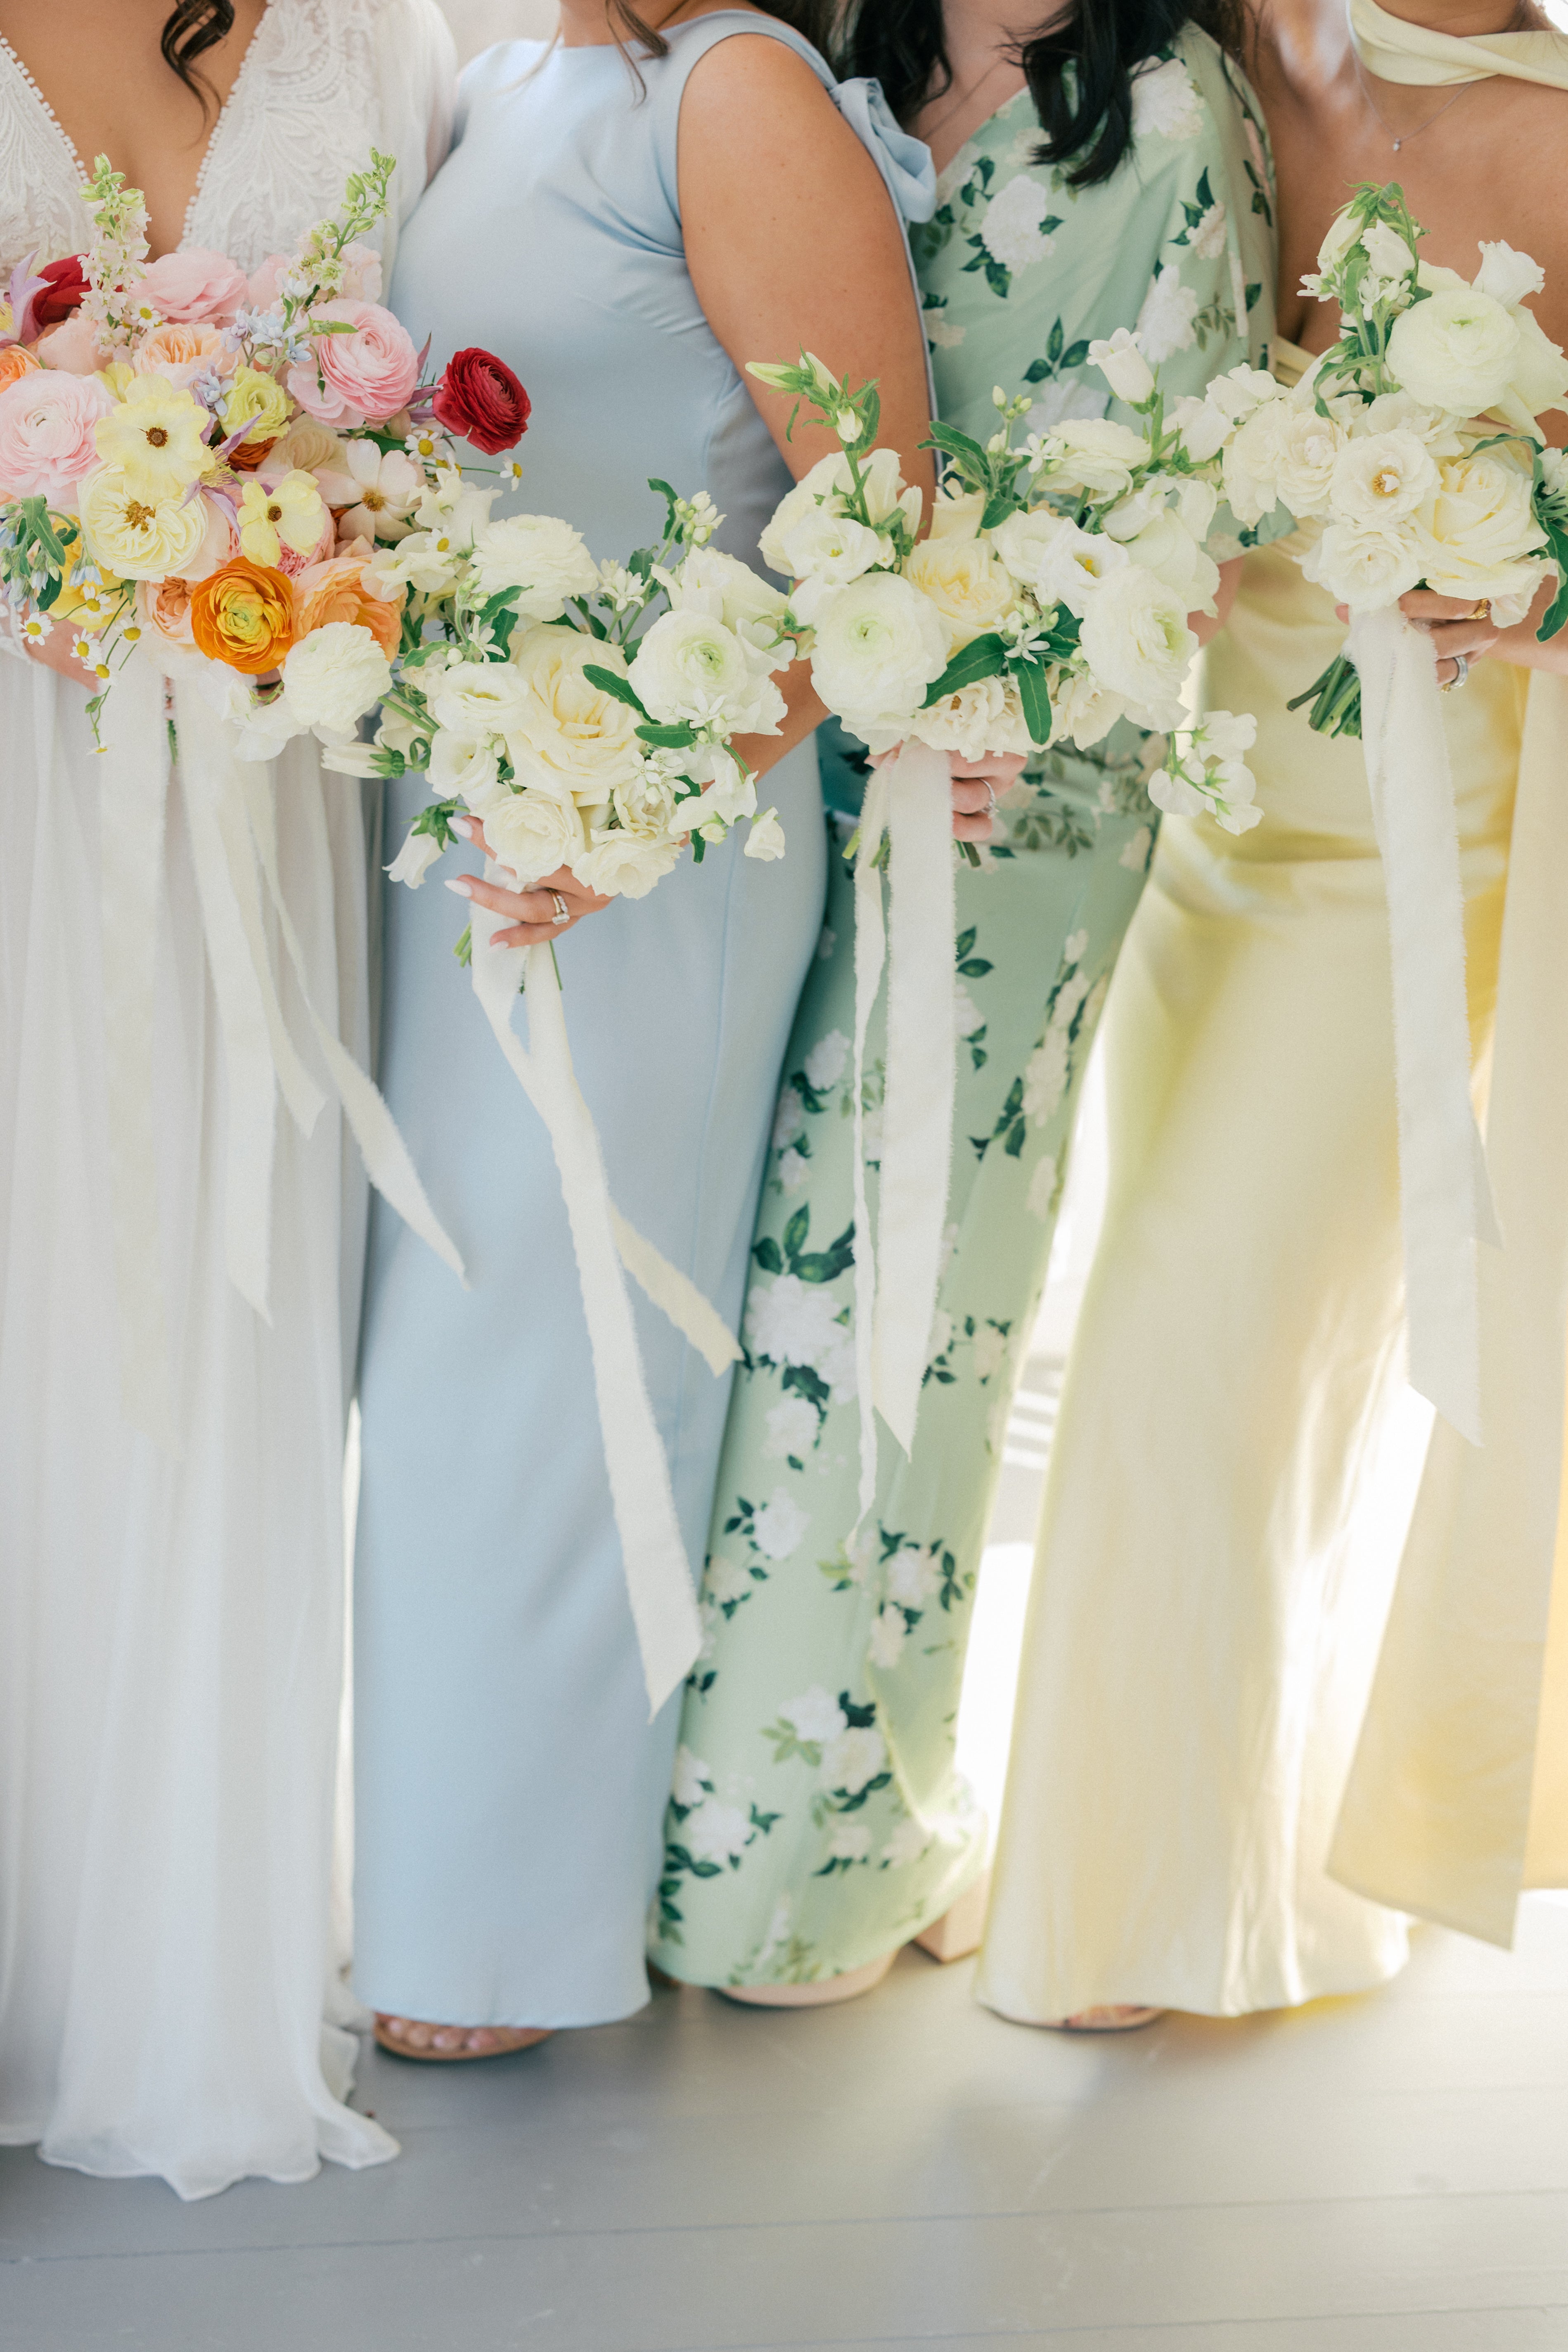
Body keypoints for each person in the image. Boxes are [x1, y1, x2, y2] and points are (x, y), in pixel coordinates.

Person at [649, 0, 1277, 2006]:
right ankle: (733, 1802)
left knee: (893, 1304)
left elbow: (1179, 511)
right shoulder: (840, 46)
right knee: (764, 1291)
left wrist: (987, 696)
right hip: (806, 757)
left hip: (1014, 793)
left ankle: (817, 1860)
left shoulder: (1172, 109)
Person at [353, 0, 937, 2061]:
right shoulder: (501, 79)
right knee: (442, 1357)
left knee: (551, 1345)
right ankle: (419, 1879)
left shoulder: (736, 90)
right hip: (459, 815)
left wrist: (633, 801)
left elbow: (879, 534)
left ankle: (504, 1936)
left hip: (650, 839)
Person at [978, 0, 1568, 2034]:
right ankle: (1207, 1858)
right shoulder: (1215, 54)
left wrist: (1531, 579)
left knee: (1179, 1319)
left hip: (1411, 857)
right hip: (1198, 815)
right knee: (1242, 1370)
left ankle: (1132, 1912)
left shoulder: (1543, 135)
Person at [0, 0, 456, 2194]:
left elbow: (447, 396)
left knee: (223, 1305)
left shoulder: (384, 37)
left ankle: (176, 1951)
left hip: (268, 754)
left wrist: (330, 525)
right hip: (27, 742)